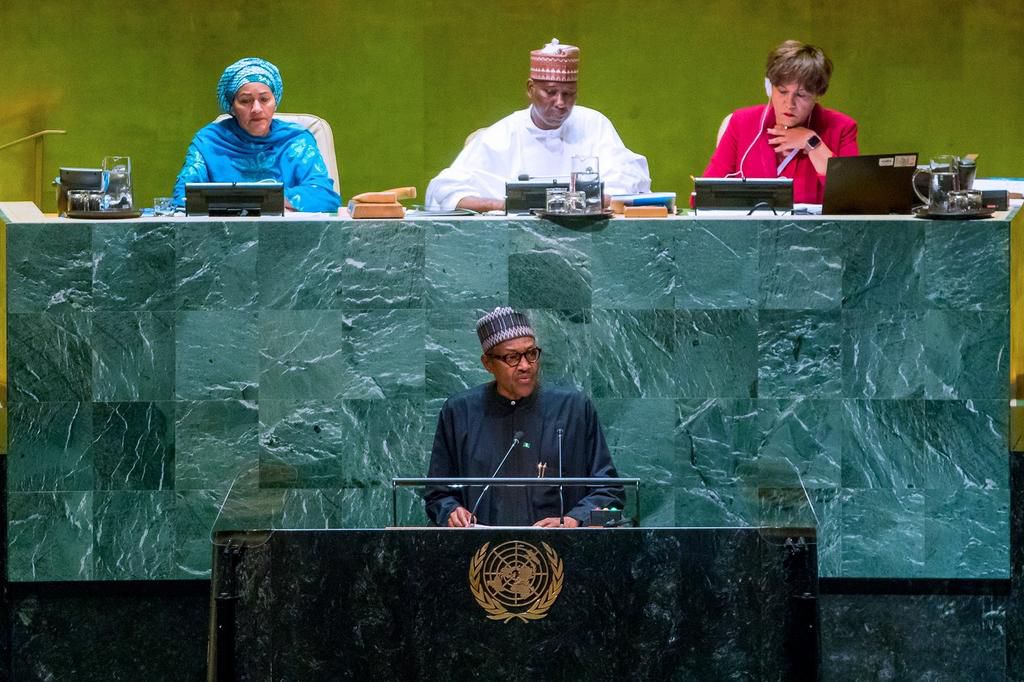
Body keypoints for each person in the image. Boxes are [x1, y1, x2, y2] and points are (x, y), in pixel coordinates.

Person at [424, 306, 625, 527]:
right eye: (512, 357)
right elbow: (437, 495)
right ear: (487, 363)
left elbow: (611, 495)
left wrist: (574, 520)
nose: (525, 366)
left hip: (563, 545)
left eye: (531, 354)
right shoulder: (459, 412)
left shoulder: (574, 408)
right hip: (482, 547)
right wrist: (451, 511)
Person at [424, 39, 651, 212]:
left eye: (568, 94)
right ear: (531, 89)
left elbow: (628, 181)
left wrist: (582, 202)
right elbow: (446, 191)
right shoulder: (502, 134)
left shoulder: (594, 124)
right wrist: (505, 206)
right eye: (550, 92)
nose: (560, 103)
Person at [172, 57, 341, 212]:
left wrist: (267, 199)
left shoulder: (297, 141)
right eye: (245, 101)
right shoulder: (209, 142)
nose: (257, 109)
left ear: (275, 102)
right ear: (232, 107)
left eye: (264, 99)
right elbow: (183, 197)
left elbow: (324, 196)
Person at [701, 40, 858, 204]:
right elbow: (704, 198)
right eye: (782, 91)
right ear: (769, 88)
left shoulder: (841, 128)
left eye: (801, 95)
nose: (789, 103)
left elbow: (853, 200)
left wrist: (812, 143)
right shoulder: (742, 123)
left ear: (817, 94)